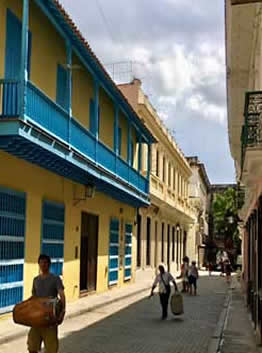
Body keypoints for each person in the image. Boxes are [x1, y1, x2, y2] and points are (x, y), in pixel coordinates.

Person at [27, 254, 66, 353]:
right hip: (37, 318)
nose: (43, 265)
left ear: (49, 264)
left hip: (50, 318)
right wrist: (25, 306)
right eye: (41, 262)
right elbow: (34, 297)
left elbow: (62, 294)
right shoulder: (36, 280)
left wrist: (62, 312)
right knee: (32, 346)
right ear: (38, 264)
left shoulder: (55, 279)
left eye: (45, 263)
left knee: (51, 349)